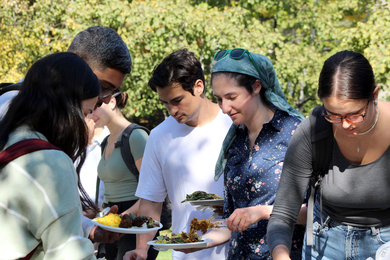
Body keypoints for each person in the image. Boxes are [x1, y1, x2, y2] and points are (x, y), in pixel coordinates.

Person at [179, 48, 307, 260]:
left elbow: (317, 213)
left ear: (256, 86)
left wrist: (263, 211)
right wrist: (197, 244)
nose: (224, 108)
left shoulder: (296, 132)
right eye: (219, 99)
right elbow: (233, 223)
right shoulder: (234, 141)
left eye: (231, 97)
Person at [267, 50, 390, 260]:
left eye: (354, 114)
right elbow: (283, 214)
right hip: (325, 242)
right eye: (333, 114)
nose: (345, 124)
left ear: (375, 96)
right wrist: (281, 255)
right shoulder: (313, 129)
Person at [123, 49, 231, 260]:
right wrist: (142, 249)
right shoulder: (159, 136)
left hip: (237, 252)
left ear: (199, 86)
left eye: (177, 100)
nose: (172, 110)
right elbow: (151, 201)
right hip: (185, 256)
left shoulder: (234, 126)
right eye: (165, 103)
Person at [0, 52, 99, 259]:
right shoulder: (50, 163)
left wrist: (87, 227)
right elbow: (68, 254)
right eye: (87, 112)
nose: (90, 121)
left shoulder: (9, 139)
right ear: (67, 108)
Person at [68, 25, 133, 242]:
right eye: (103, 86)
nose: (105, 100)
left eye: (112, 92)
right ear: (78, 65)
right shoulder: (13, 107)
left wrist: (92, 229)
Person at [92, 92, 158, 260]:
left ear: (112, 102)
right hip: (112, 220)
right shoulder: (106, 141)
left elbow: (153, 190)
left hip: (134, 224)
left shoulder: (136, 136)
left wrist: (121, 218)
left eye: (96, 107)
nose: (91, 114)